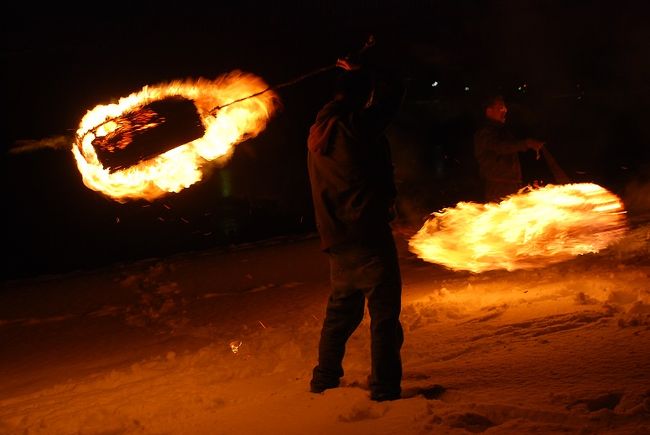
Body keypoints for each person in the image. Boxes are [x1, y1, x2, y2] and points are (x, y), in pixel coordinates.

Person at [306, 51, 405, 402]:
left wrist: (359, 76)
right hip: (367, 234)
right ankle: (385, 388)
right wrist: (370, 69)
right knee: (384, 315)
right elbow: (392, 99)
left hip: (337, 238)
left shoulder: (318, 132)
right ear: (362, 97)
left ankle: (324, 379)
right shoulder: (355, 126)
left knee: (340, 314)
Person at [473, 94, 545, 202]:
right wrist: (526, 143)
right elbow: (500, 147)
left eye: (505, 107)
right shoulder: (485, 132)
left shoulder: (500, 130)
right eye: (501, 107)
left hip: (509, 184)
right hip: (498, 187)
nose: (505, 110)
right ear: (489, 111)